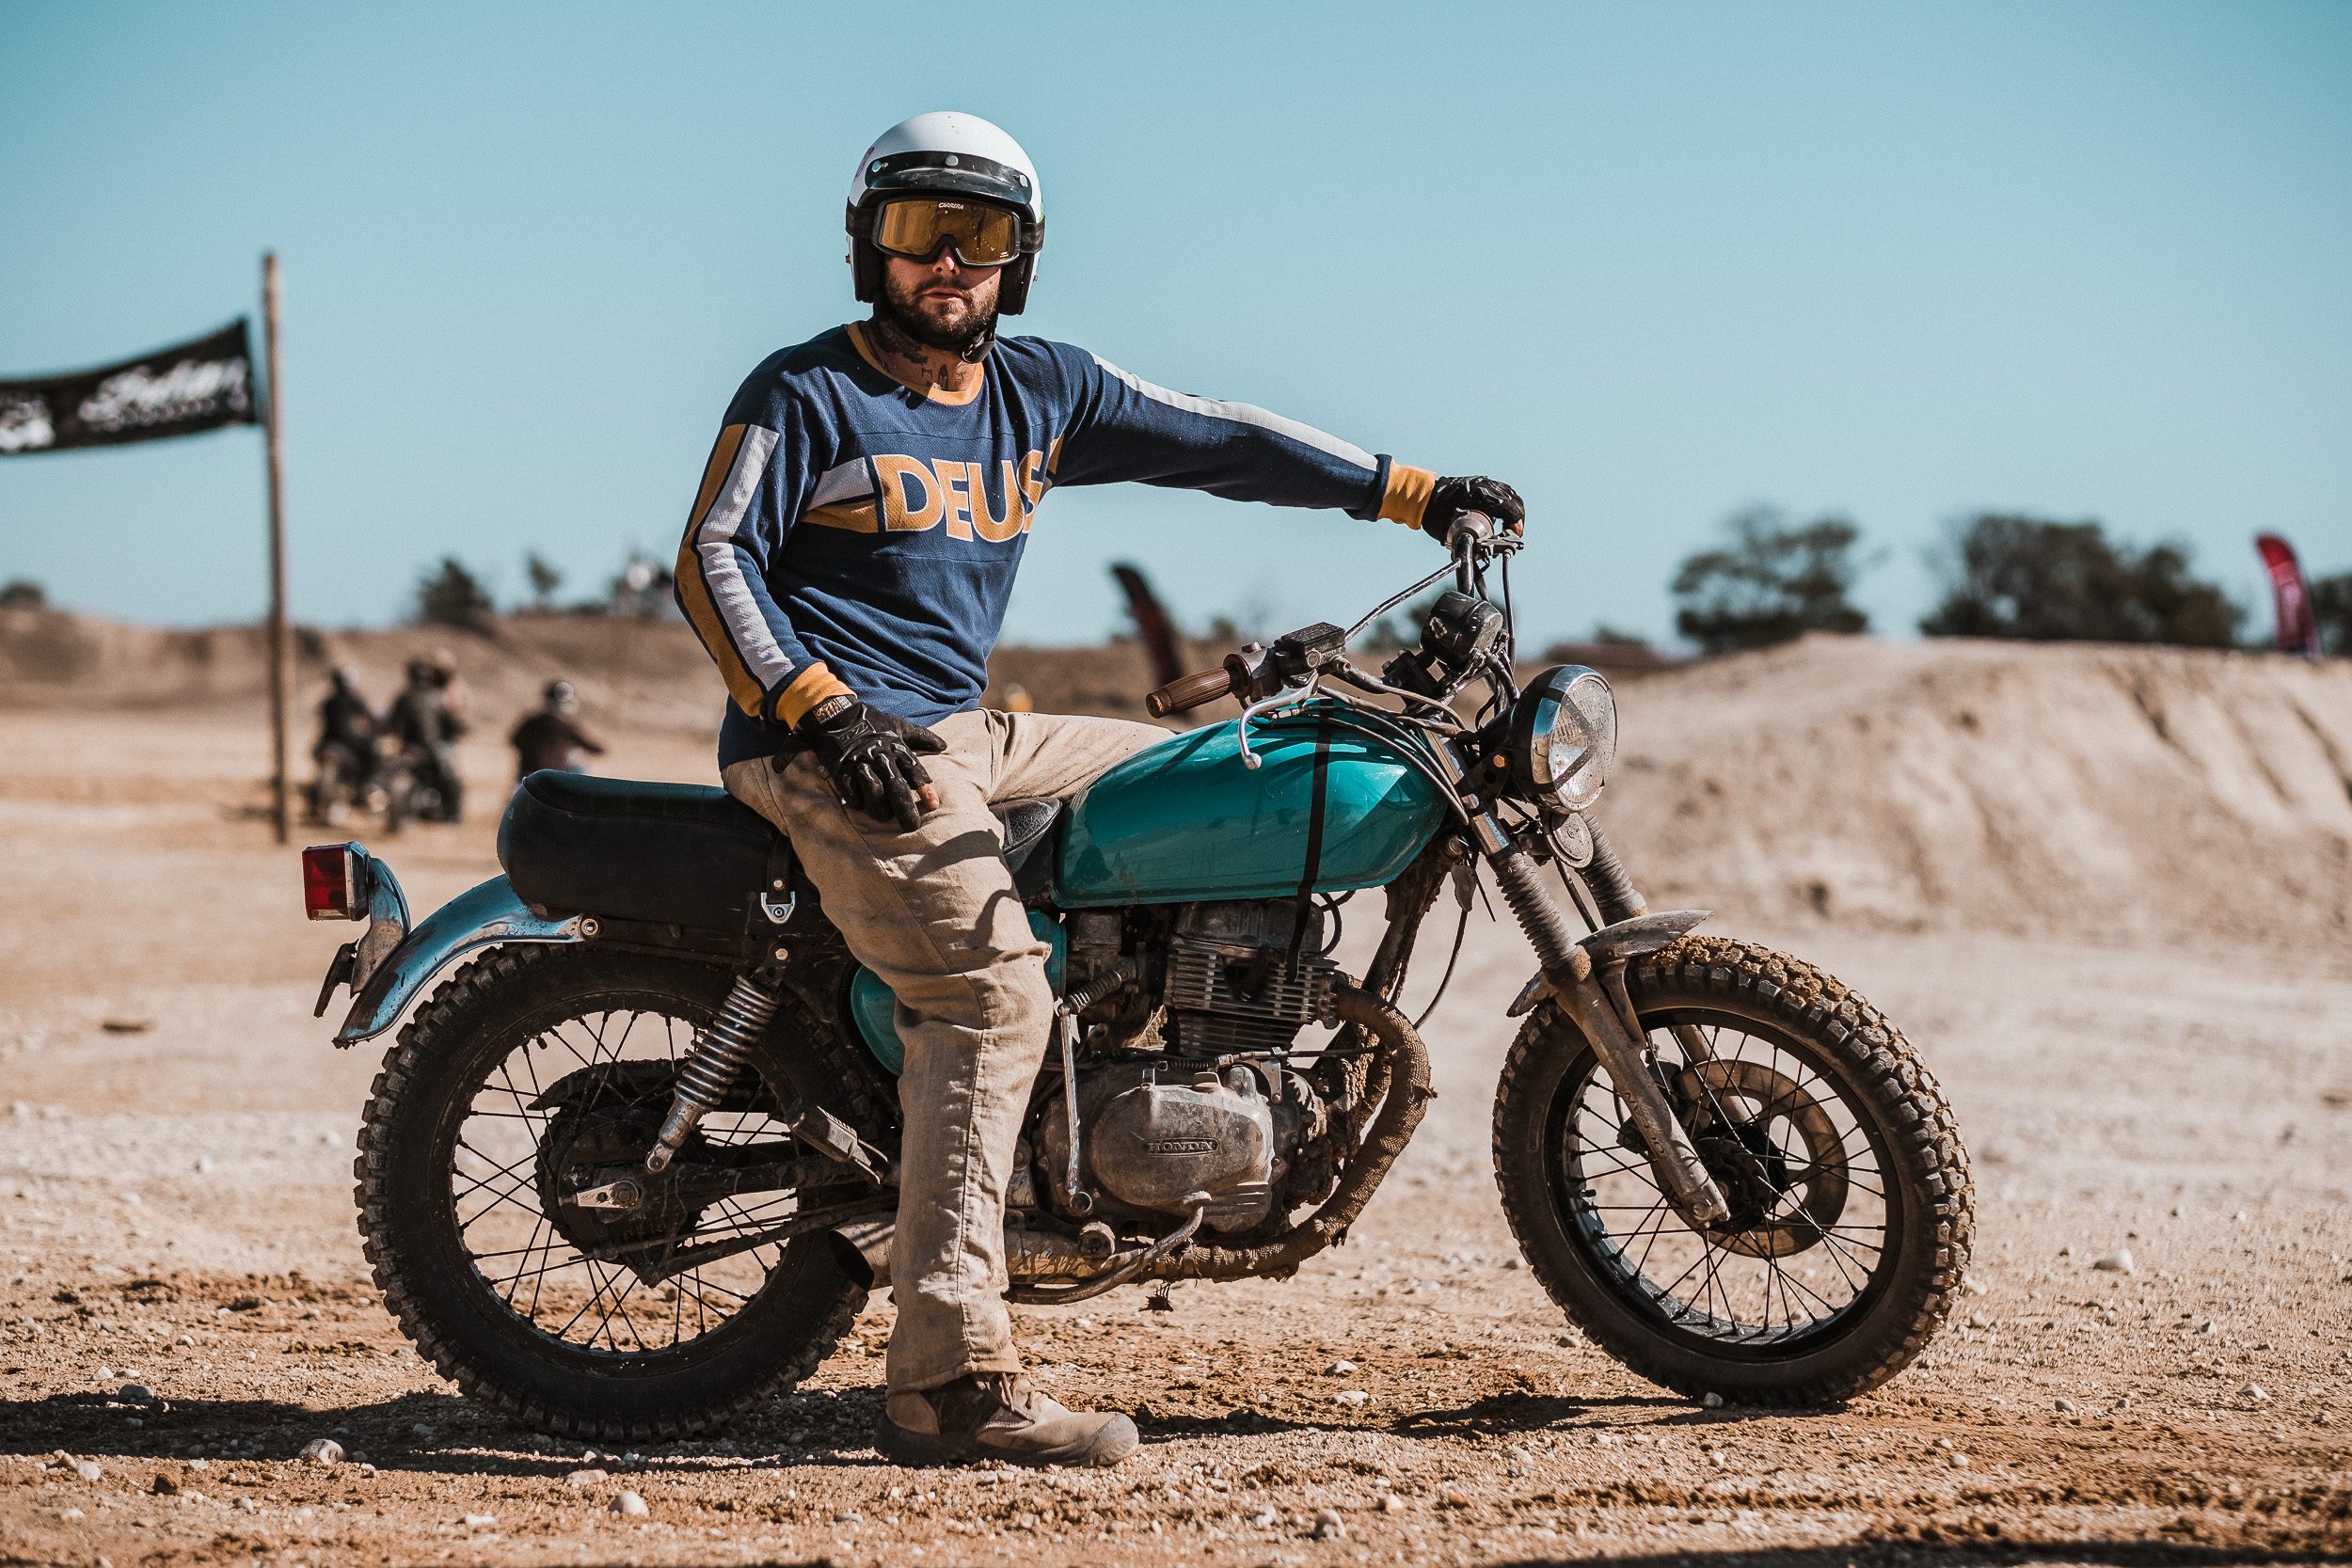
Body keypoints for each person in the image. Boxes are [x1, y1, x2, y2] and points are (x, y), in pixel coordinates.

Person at [674, 111, 1523, 1469]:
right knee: (986, 995)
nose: (948, 263)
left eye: (983, 237)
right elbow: (712, 559)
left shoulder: (1040, 389)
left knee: (1230, 784)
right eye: (916, 233)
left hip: (968, 728)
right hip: (831, 746)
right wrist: (819, 707)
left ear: (1022, 259)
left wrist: (1410, 491)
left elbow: (1216, 437)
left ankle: (1124, 1069)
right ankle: (947, 1373)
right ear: (864, 248)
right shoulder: (805, 393)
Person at [385, 656, 467, 822]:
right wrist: (460, 729)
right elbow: (452, 723)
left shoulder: (404, 697)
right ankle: (453, 816)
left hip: (408, 749)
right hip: (431, 750)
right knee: (451, 782)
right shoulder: (438, 697)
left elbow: (391, 722)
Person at [310, 666, 378, 821]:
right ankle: (367, 788)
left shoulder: (328, 702)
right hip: (347, 743)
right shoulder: (354, 699)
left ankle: (316, 802)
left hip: (328, 742)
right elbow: (370, 719)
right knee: (373, 756)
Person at [509, 679, 606, 781]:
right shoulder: (566, 727)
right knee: (578, 765)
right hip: (554, 779)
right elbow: (594, 749)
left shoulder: (530, 723)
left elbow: (514, 741)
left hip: (525, 778)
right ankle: (581, 794)